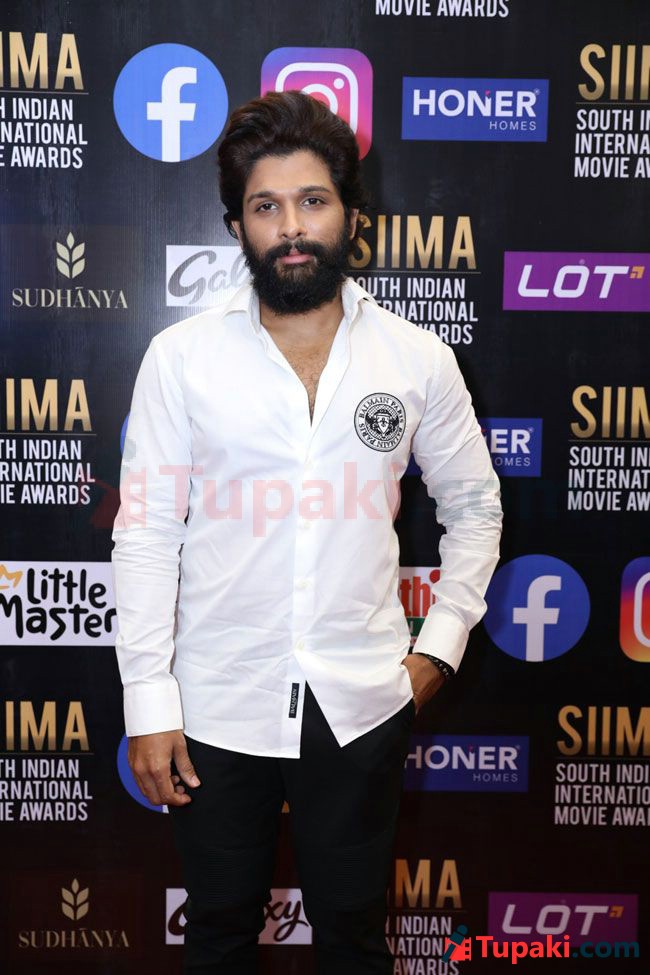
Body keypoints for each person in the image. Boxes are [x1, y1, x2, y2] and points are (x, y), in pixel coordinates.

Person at [111, 90, 502, 975]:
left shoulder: (418, 359)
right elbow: (147, 534)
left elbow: (476, 508)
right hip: (214, 706)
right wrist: (150, 702)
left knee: (355, 939)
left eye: (312, 200)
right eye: (266, 206)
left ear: (352, 215)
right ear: (238, 227)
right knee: (216, 937)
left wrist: (437, 651)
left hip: (361, 702)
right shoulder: (182, 358)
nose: (291, 227)